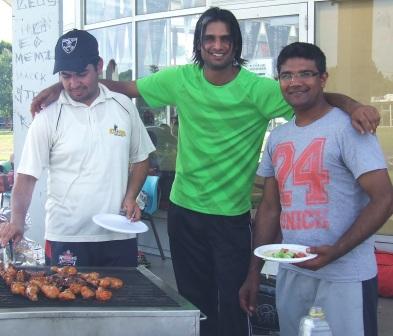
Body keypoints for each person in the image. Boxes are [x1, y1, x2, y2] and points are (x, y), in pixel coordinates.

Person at [30, 8, 380, 336]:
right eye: (209, 38)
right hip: (184, 213)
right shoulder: (182, 79)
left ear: (235, 44)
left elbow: (307, 95)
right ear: (199, 44)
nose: (217, 45)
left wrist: (351, 105)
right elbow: (125, 87)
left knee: (234, 304)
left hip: (230, 217)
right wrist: (63, 87)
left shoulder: (259, 90)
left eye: (225, 38)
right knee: (193, 305)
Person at [239, 42, 393, 336]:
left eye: (306, 74)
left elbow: (385, 199)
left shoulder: (349, 129)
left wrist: (336, 251)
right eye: (286, 75)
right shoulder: (278, 137)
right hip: (292, 273)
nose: (295, 82)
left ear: (323, 79)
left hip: (346, 276)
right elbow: (271, 207)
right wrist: (254, 273)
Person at [0, 29, 155, 268]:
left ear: (99, 66)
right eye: (66, 76)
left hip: (118, 234)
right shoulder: (48, 116)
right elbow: (27, 175)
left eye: (82, 74)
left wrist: (131, 196)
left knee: (121, 303)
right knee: (68, 304)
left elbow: (141, 158)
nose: (73, 84)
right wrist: (17, 221)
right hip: (66, 235)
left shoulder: (123, 106)